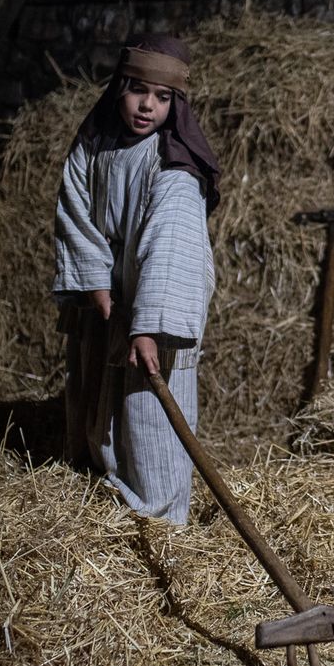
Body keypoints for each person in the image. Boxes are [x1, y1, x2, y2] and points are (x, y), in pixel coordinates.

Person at [53, 34, 222, 522]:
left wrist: (149, 325)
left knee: (148, 418)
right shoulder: (96, 144)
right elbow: (74, 207)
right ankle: (98, 495)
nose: (148, 106)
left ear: (176, 102)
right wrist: (94, 280)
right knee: (95, 408)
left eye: (163, 97)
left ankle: (160, 518)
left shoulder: (173, 169)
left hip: (148, 317)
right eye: (137, 91)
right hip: (105, 304)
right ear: (118, 88)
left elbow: (171, 250)